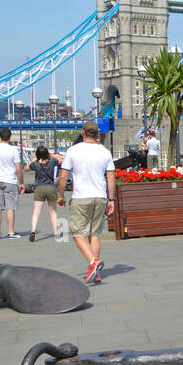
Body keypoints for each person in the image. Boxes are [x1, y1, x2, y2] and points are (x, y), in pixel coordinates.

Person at [57, 120, 115, 283]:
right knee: (94, 234)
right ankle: (95, 272)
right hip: (100, 196)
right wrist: (111, 199)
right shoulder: (104, 152)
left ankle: (93, 261)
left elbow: (63, 176)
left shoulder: (73, 150)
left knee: (77, 233)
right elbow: (111, 177)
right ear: (96, 134)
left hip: (81, 197)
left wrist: (60, 195)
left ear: (83, 133)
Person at [0, 127, 23, 239]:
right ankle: (11, 232)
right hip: (10, 180)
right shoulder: (13, 150)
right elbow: (18, 168)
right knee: (10, 207)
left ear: (0, 136)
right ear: (10, 137)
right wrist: (21, 182)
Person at [27, 145, 64, 242]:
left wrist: (35, 159)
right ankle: (56, 232)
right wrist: (51, 155)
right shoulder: (52, 161)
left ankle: (33, 231)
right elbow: (61, 159)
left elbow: (26, 168)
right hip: (51, 187)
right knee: (52, 211)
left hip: (39, 188)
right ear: (47, 153)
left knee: (36, 212)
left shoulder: (35, 164)